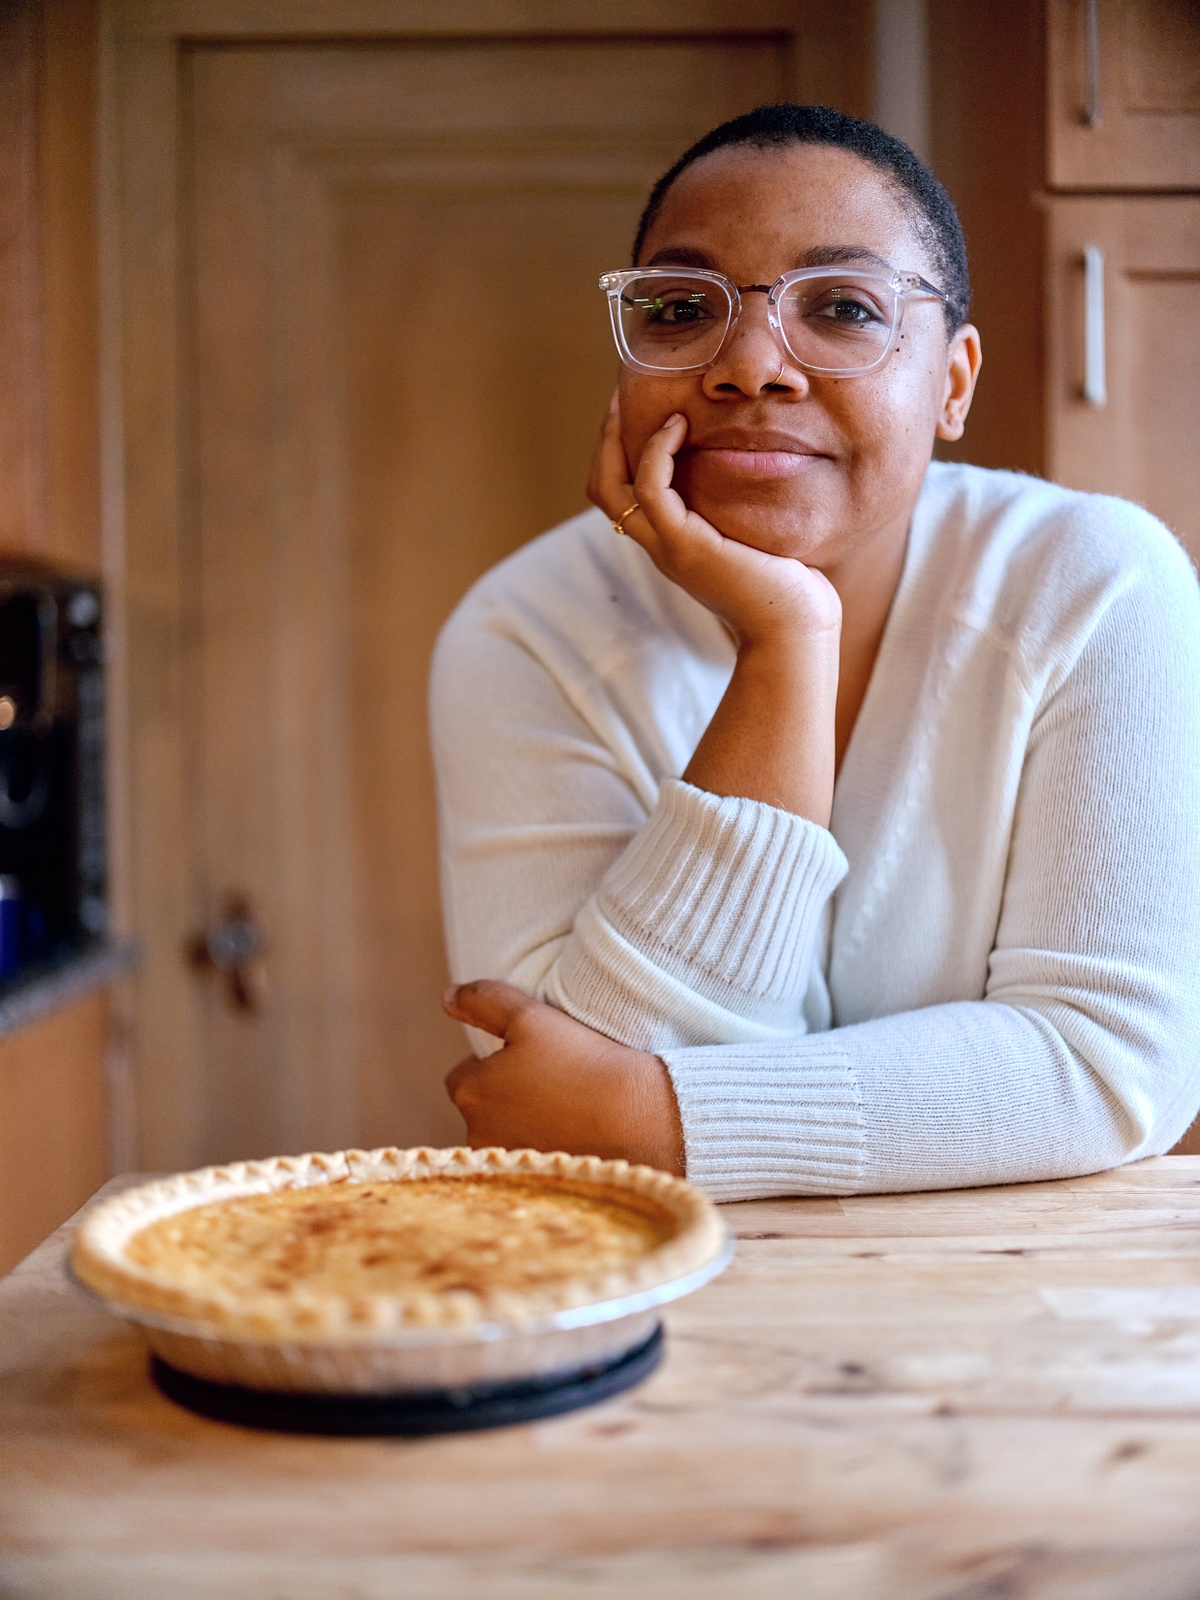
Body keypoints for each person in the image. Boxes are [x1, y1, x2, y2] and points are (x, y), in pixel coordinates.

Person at [430, 104, 1200, 1199]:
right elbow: (557, 1098)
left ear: (953, 383)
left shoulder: (1097, 582)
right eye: (681, 308)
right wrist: (785, 648)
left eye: (842, 307)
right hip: (665, 1298)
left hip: (1019, 1297)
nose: (749, 366)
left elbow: (1113, 1062)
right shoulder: (522, 633)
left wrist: (659, 1116)